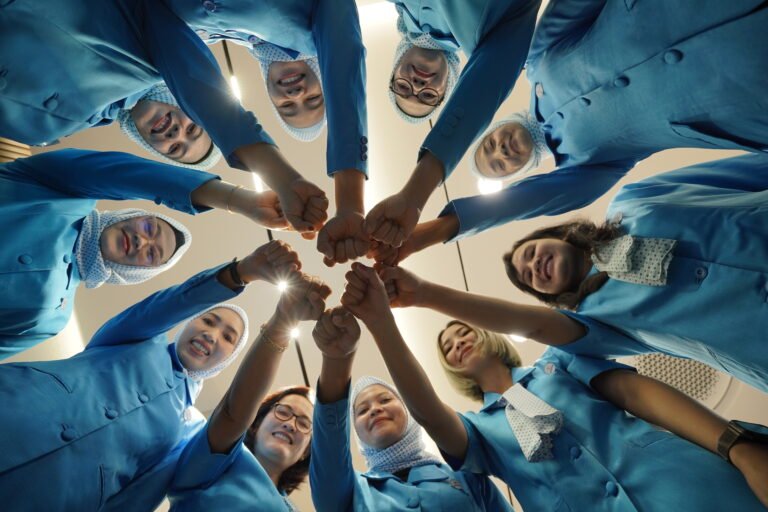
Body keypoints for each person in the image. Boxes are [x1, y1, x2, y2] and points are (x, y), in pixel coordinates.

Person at [340, 262, 768, 509]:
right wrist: (382, 323)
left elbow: (640, 395)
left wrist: (735, 445)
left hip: (686, 485)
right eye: (448, 348)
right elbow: (430, 414)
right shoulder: (478, 431)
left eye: (462, 333)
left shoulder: (559, 363)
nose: (458, 344)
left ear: (486, 335)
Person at [368, 0, 768, 262]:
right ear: (520, 174)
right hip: (748, 97)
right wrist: (432, 231)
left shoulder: (536, 57)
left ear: (494, 123)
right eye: (501, 165)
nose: (501, 151)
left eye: (489, 145)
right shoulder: (585, 168)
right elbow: (521, 204)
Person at [0, 239, 303, 509]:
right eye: (209, 321)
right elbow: (172, 303)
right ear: (188, 322)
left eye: (228, 338)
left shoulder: (189, 431)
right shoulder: (139, 336)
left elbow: (138, 497)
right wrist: (240, 272)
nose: (212, 335)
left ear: (228, 359)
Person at [0, 0, 328, 235]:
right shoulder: (148, 49)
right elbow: (194, 79)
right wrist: (275, 175)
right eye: (193, 128)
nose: (176, 134)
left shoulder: (55, 131)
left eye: (175, 149)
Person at [501, 153, 768, 392]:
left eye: (531, 252)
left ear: (555, 235)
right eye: (529, 277)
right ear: (547, 296)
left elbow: (738, 173)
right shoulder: (599, 321)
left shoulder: (633, 199)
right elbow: (534, 325)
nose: (534, 265)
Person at [127, 0, 368, 263]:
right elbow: (344, 57)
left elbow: (191, 77)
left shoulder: (202, 33)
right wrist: (350, 199)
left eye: (287, 107)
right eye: (314, 99)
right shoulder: (311, 30)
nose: (296, 94)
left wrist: (282, 179)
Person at [0, 148, 284, 359]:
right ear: (132, 215)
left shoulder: (54, 318)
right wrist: (236, 199)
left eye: (151, 254)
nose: (142, 241)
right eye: (149, 227)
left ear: (135, 273)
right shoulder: (65, 190)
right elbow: (125, 174)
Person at [363, 0, 541, 249]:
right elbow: (483, 89)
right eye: (428, 96)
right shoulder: (494, 37)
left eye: (403, 87)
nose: (417, 86)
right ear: (450, 85)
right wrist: (413, 196)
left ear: (395, 68)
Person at [310, 304, 515, 512]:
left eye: (385, 400)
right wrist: (337, 359)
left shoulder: (467, 476)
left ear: (409, 412)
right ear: (355, 433)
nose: (375, 409)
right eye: (362, 411)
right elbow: (329, 451)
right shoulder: (350, 492)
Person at [168, 275, 331, 511]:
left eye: (305, 423)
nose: (290, 424)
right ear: (255, 424)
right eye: (283, 412)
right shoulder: (217, 461)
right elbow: (233, 414)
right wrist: (282, 323)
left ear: (306, 451)